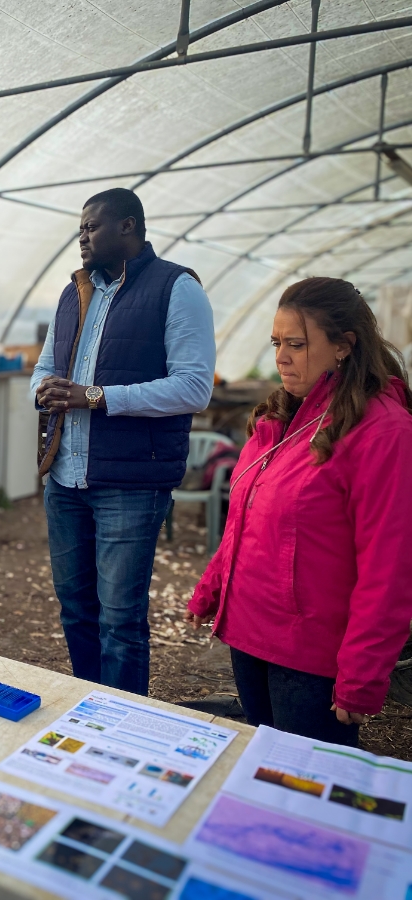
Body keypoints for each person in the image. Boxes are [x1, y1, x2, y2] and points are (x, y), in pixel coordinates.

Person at [186, 277, 412, 747]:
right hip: (249, 634)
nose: (281, 357)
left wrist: (361, 674)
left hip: (308, 654)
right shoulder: (280, 420)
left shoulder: (383, 432)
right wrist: (213, 587)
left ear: (344, 347)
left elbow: (388, 568)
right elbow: (245, 520)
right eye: (276, 343)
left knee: (307, 785)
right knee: (262, 764)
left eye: (297, 344)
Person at [32, 188, 215, 694]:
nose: (81, 237)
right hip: (64, 477)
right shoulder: (74, 292)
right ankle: (88, 708)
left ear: (128, 226)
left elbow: (194, 387)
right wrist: (42, 390)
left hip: (130, 484)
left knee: (120, 619)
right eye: (80, 228)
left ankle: (123, 723)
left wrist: (95, 396)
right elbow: (45, 367)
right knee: (75, 609)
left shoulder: (176, 287)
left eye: (90, 226)